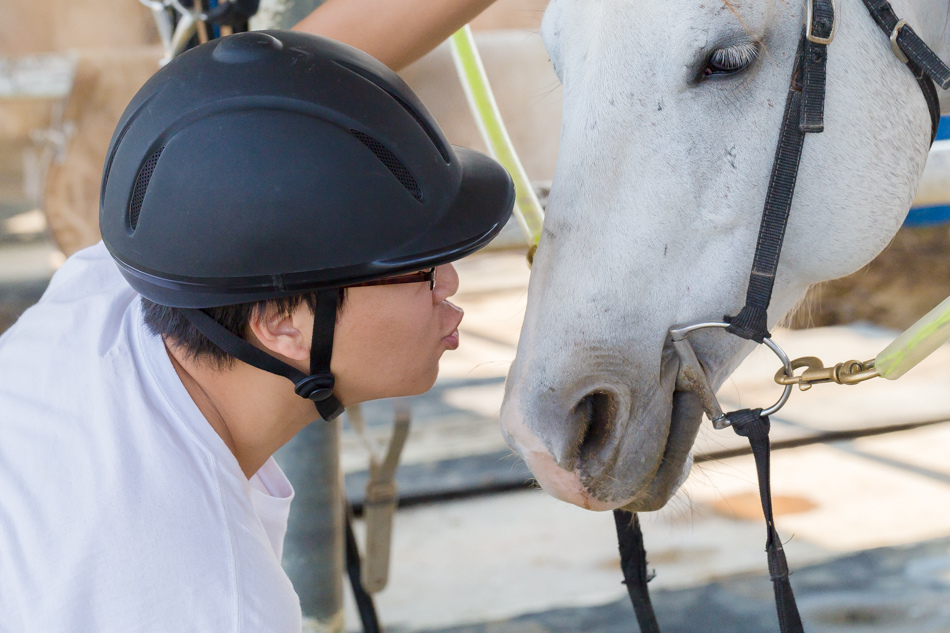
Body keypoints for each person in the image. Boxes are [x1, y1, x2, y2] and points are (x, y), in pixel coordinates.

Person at [0, 30, 513, 630]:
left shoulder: (116, 283)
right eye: (418, 269)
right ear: (280, 323)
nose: (448, 282)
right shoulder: (217, 602)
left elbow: (232, 125)